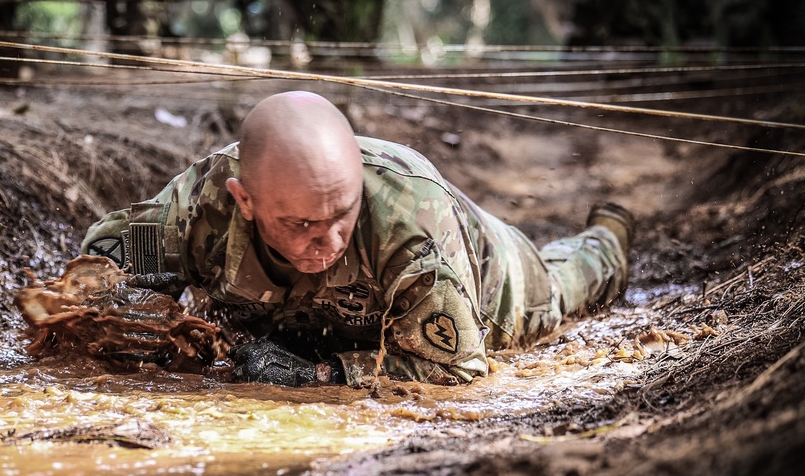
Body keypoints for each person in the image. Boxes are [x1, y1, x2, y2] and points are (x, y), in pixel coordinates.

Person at [81, 91, 632, 387]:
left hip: (495, 285)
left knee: (569, 281)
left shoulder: (409, 227)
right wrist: (129, 310)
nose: (327, 242)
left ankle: (610, 232)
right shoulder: (202, 207)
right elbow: (101, 262)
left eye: (342, 215)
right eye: (300, 225)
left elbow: (457, 368)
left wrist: (317, 374)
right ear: (244, 201)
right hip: (319, 314)